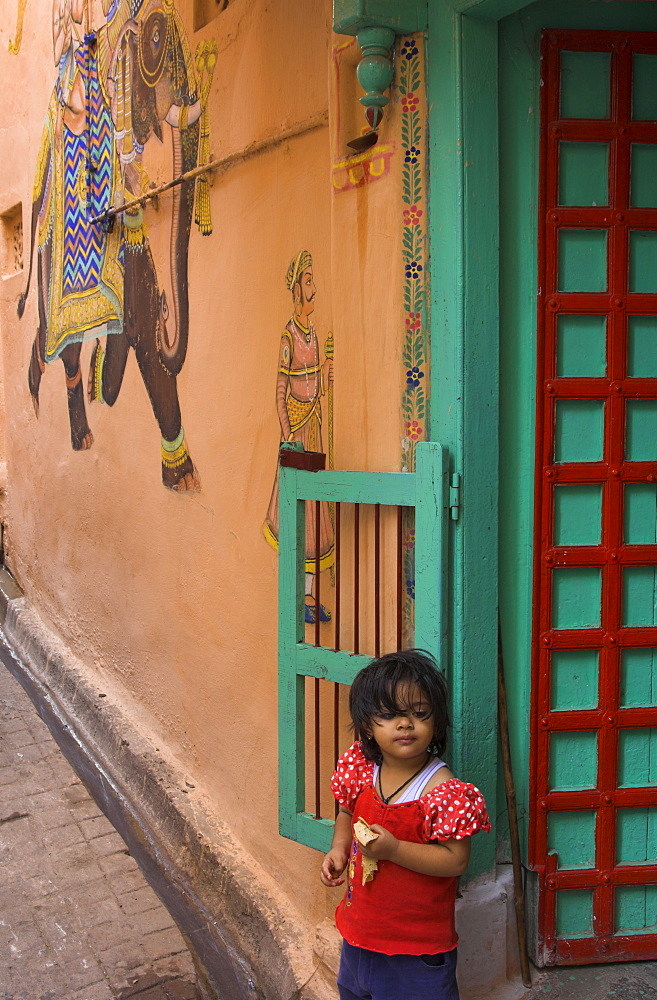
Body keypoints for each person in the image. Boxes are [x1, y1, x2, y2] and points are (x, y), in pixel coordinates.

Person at [320, 649, 490, 1000]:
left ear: (436, 720)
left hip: (417, 953)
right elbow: (346, 813)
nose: (405, 724)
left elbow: (455, 860)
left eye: (419, 713)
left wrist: (394, 849)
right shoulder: (362, 769)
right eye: (389, 714)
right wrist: (338, 849)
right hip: (359, 937)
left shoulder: (441, 790)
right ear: (367, 724)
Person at [263, 250, 335, 623]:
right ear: (297, 289)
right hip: (296, 428)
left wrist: (329, 370)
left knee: (316, 512)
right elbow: (281, 385)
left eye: (313, 280)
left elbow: (317, 384)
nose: (314, 287)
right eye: (308, 281)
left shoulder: (315, 335)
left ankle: (308, 595)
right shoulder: (288, 335)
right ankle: (296, 594)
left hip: (315, 425)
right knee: (296, 513)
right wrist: (287, 431)